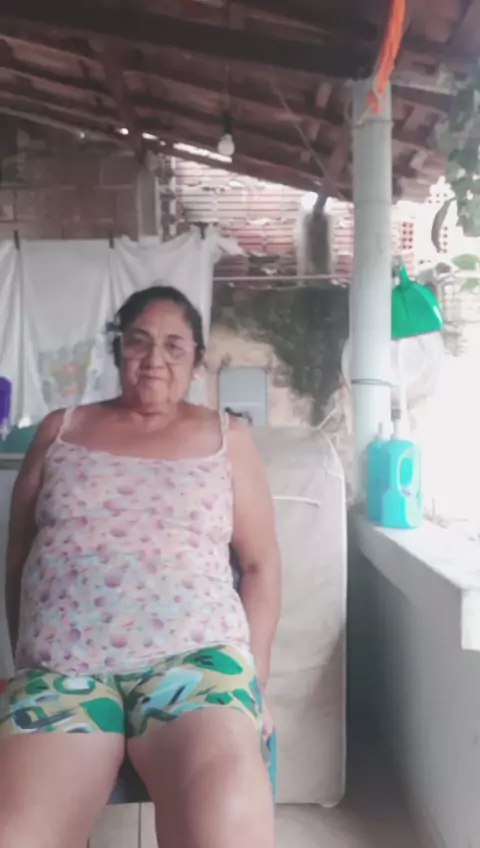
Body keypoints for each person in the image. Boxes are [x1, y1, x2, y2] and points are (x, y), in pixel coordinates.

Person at [0, 284, 281, 848]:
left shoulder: (227, 438)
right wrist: (26, 660)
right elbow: (19, 558)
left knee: (225, 825)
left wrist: (255, 682)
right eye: (139, 342)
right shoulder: (59, 431)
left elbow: (260, 566)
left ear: (197, 360)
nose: (155, 359)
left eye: (174, 346)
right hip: (64, 672)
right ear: (118, 349)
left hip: (196, 663)